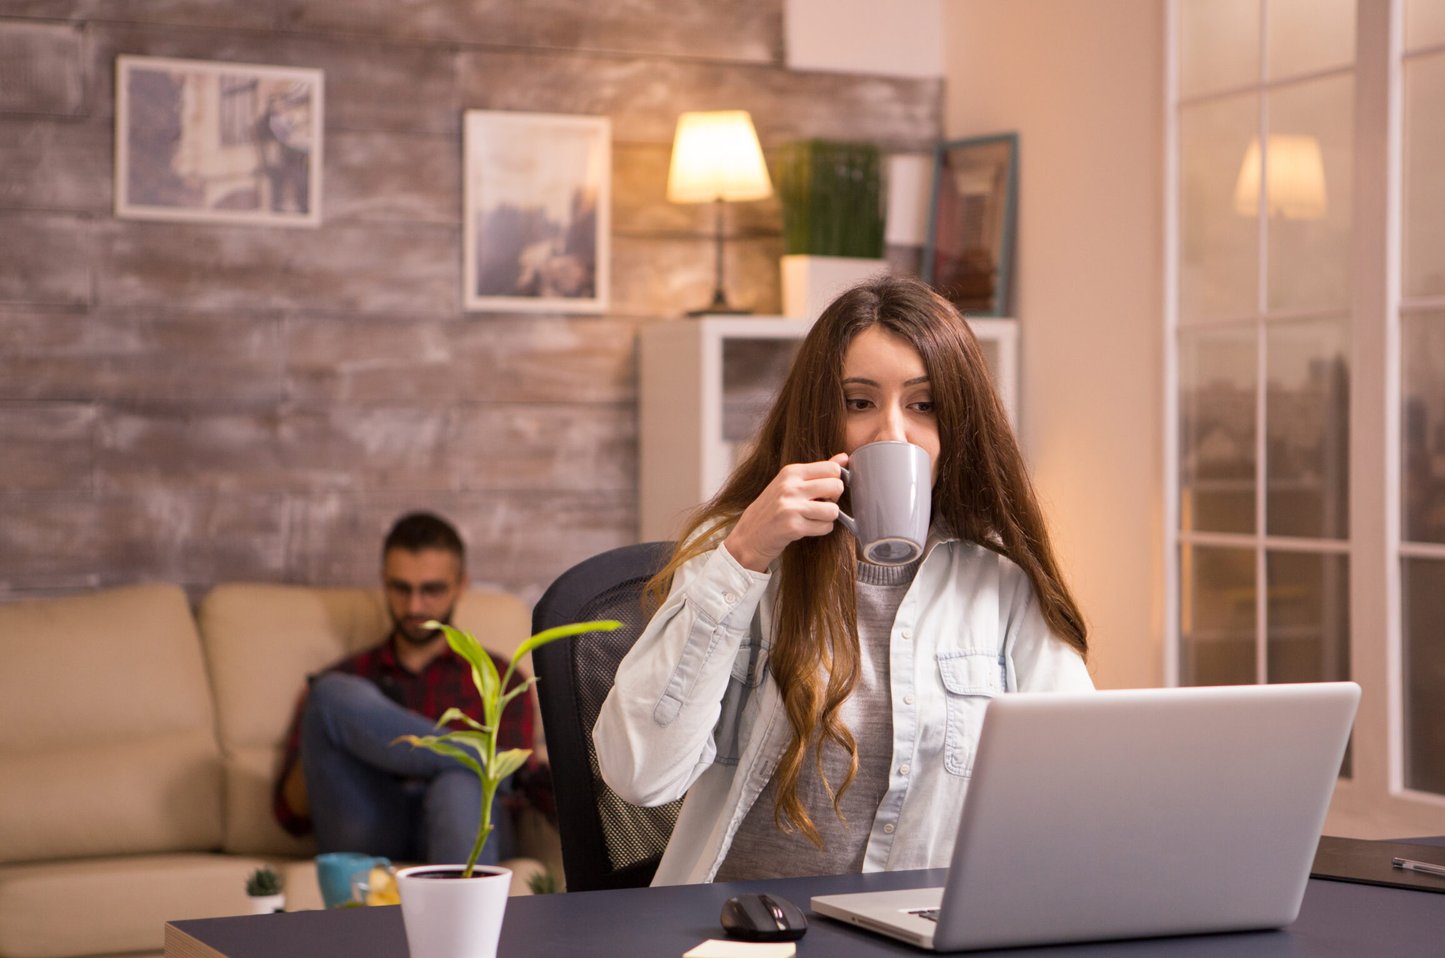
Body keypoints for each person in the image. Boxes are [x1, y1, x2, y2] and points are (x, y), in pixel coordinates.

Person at [593, 275, 1093, 886]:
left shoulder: (1001, 581)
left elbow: (1077, 791)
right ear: (819, 417)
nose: (891, 434)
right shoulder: (741, 553)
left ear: (958, 424)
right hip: (745, 934)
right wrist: (744, 556)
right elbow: (638, 774)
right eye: (859, 403)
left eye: (923, 404)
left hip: (918, 941)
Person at [272, 511, 541, 865]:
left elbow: (512, 807)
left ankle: (468, 767)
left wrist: (429, 759)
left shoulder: (500, 677)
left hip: (460, 821)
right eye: (401, 588)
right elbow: (289, 815)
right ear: (384, 581)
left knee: (459, 786)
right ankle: (483, 760)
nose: (415, 606)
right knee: (328, 694)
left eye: (432, 589)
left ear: (461, 585)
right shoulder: (348, 677)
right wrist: (346, 743)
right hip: (372, 825)